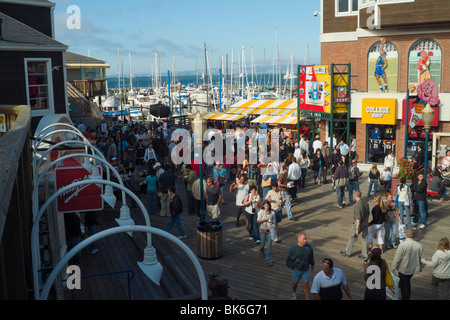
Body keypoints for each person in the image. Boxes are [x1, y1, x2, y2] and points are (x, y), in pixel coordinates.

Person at [391, 227, 426, 300]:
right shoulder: (419, 245)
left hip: (403, 269)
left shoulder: (403, 245)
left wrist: (392, 269)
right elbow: (423, 259)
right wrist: (420, 267)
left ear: (406, 235)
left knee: (406, 286)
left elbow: (397, 259)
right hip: (413, 269)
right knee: (405, 281)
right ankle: (398, 286)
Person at [340, 190, 370, 259]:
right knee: (365, 239)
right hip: (365, 223)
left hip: (358, 224)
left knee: (352, 237)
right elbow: (368, 213)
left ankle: (348, 252)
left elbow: (358, 218)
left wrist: (357, 228)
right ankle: (365, 255)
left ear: (355, 195)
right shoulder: (365, 202)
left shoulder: (357, 205)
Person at [285, 232, 315, 300]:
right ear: (298, 239)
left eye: (306, 239)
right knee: (295, 283)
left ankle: (307, 298)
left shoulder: (309, 247)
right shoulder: (293, 249)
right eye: (303, 239)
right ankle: (294, 293)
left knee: (306, 284)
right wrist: (293, 267)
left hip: (305, 269)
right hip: (296, 270)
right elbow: (288, 260)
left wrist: (312, 264)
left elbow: (311, 256)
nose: (305, 241)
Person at [257, 200, 275, 266]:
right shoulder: (261, 212)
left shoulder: (272, 212)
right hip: (263, 230)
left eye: (267, 205)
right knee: (262, 244)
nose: (266, 207)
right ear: (263, 206)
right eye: (265, 205)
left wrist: (272, 223)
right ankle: (261, 252)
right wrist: (264, 219)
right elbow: (258, 221)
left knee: (269, 246)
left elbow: (274, 220)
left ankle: (269, 260)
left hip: (269, 230)